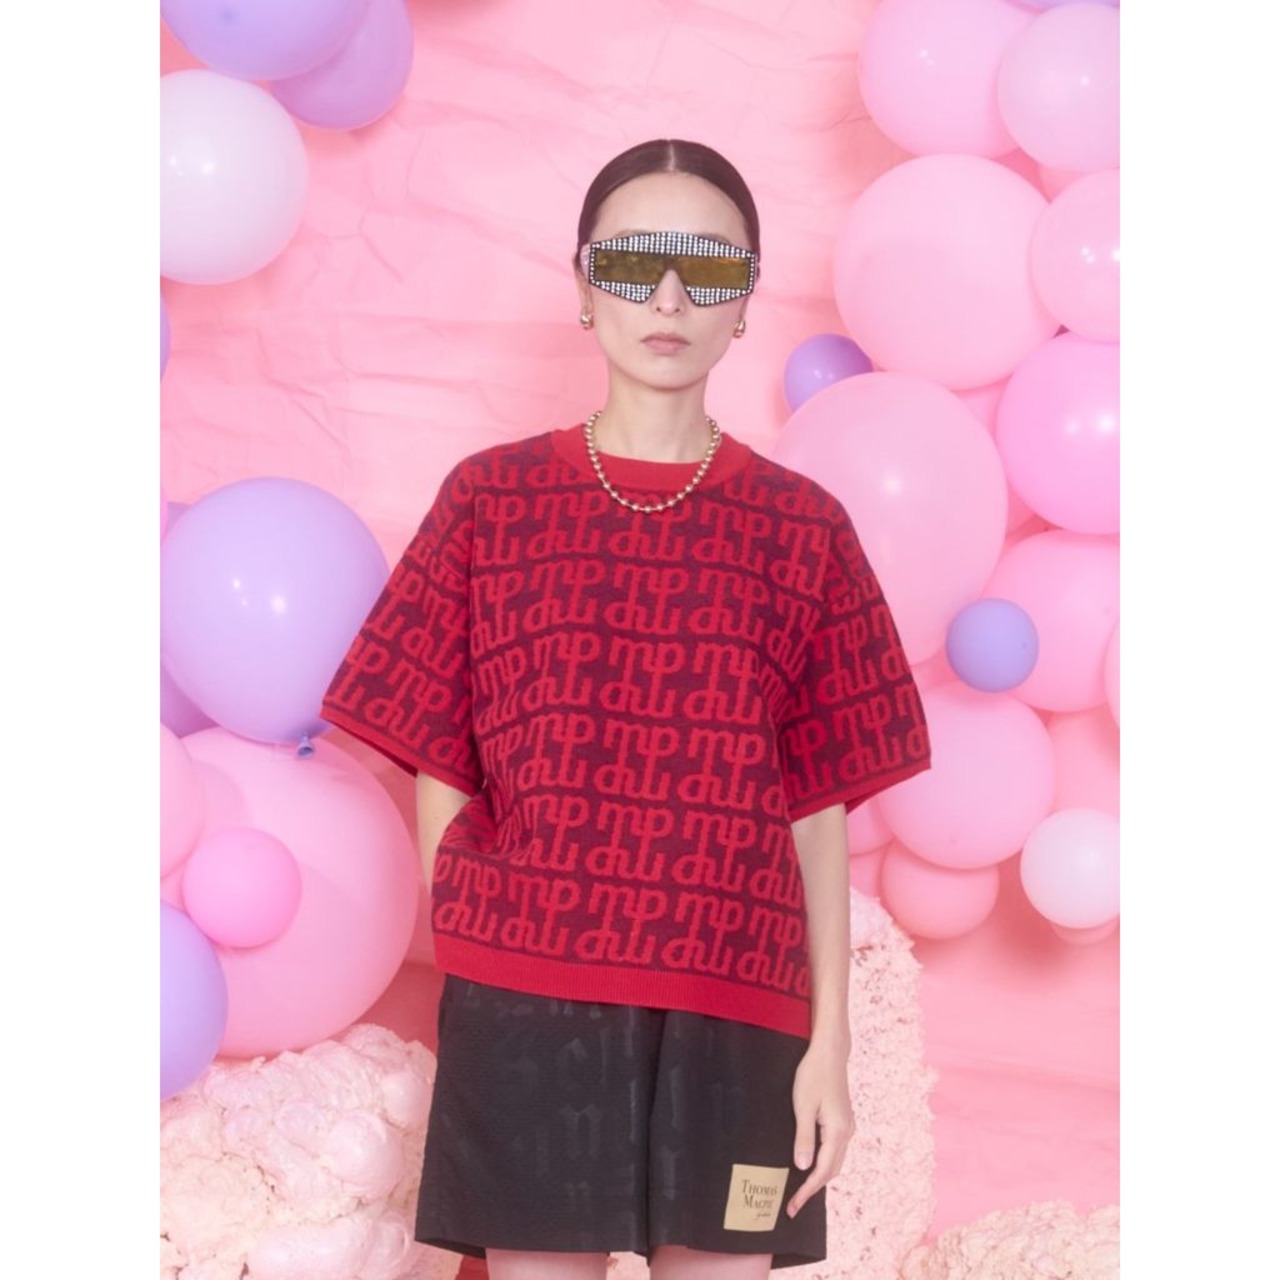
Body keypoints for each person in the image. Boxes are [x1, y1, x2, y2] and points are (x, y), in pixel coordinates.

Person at [321, 138, 931, 1280]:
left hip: (740, 1003)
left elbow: (818, 808)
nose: (668, 296)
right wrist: (474, 925)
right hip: (528, 997)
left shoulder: (803, 529)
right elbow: (436, 746)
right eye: (634, 261)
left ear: (744, 301)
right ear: (582, 284)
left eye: (708, 267)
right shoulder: (490, 500)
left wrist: (830, 1041)